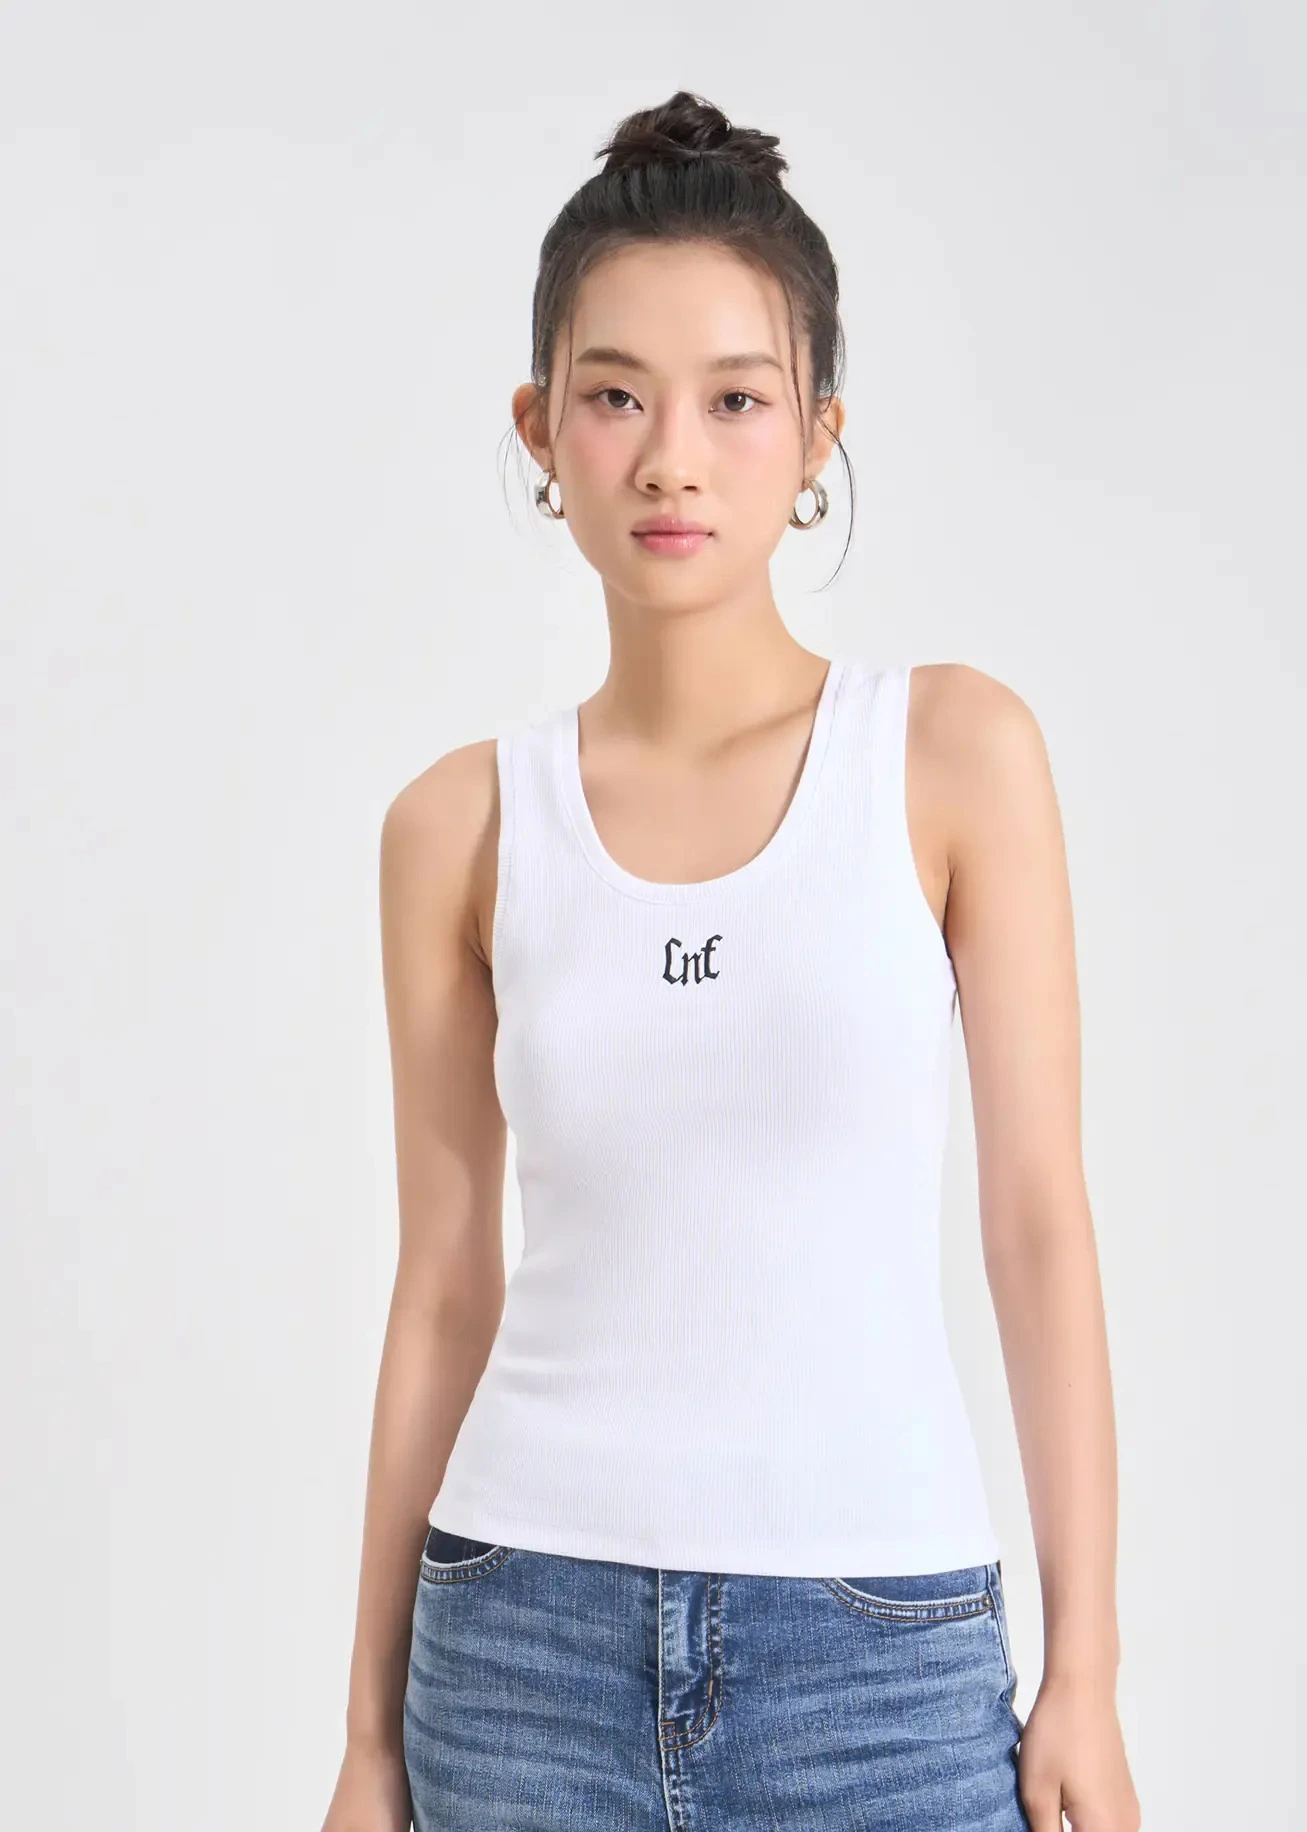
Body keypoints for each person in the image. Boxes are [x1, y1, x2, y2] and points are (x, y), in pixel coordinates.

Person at [320, 89, 1140, 1832]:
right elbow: (446, 1284)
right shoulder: (456, 828)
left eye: (737, 400)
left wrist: (1087, 1670)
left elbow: (1036, 1228)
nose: (671, 458)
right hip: (517, 1651)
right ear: (542, 429)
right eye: (616, 395)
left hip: (880, 1663)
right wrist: (369, 1739)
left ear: (819, 431)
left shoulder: (952, 757)